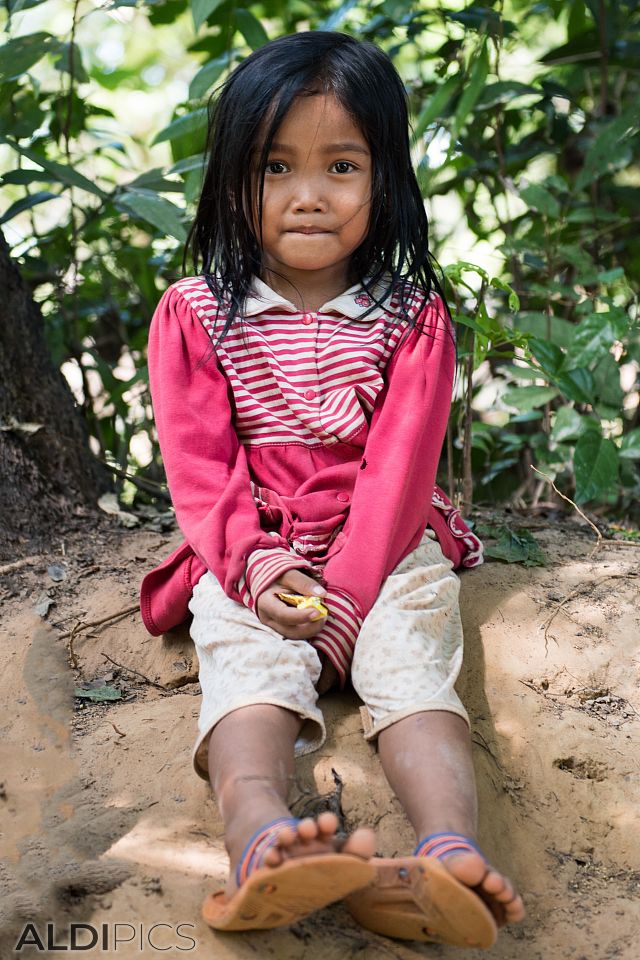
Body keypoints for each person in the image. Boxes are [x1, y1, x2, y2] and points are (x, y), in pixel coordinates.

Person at [140, 30, 525, 945]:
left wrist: (351, 596)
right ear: (235, 179)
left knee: (413, 667)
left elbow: (399, 475)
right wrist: (258, 570)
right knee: (247, 671)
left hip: (385, 545)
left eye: (342, 165)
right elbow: (202, 472)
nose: (309, 195)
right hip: (254, 548)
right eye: (276, 167)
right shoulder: (197, 312)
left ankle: (447, 851)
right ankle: (261, 837)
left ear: (384, 179)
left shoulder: (411, 319)